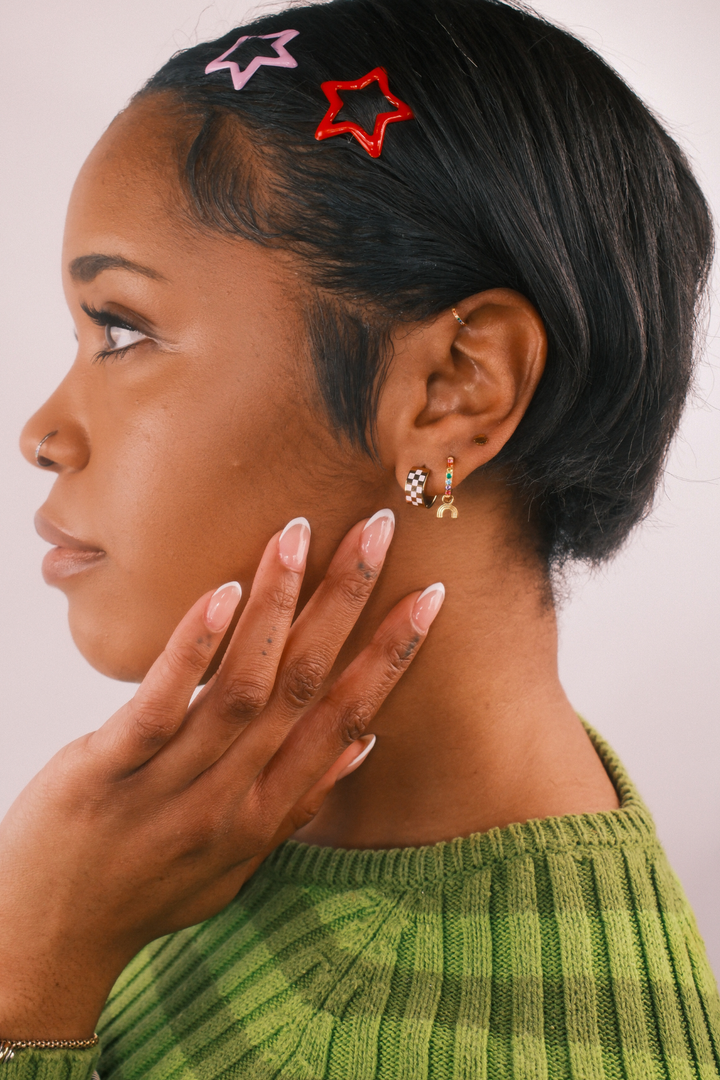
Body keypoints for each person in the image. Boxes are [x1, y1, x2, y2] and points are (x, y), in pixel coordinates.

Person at [1, 0, 718, 1076]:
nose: (42, 434)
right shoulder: (199, 846)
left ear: (453, 393)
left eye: (124, 330)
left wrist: (28, 974)